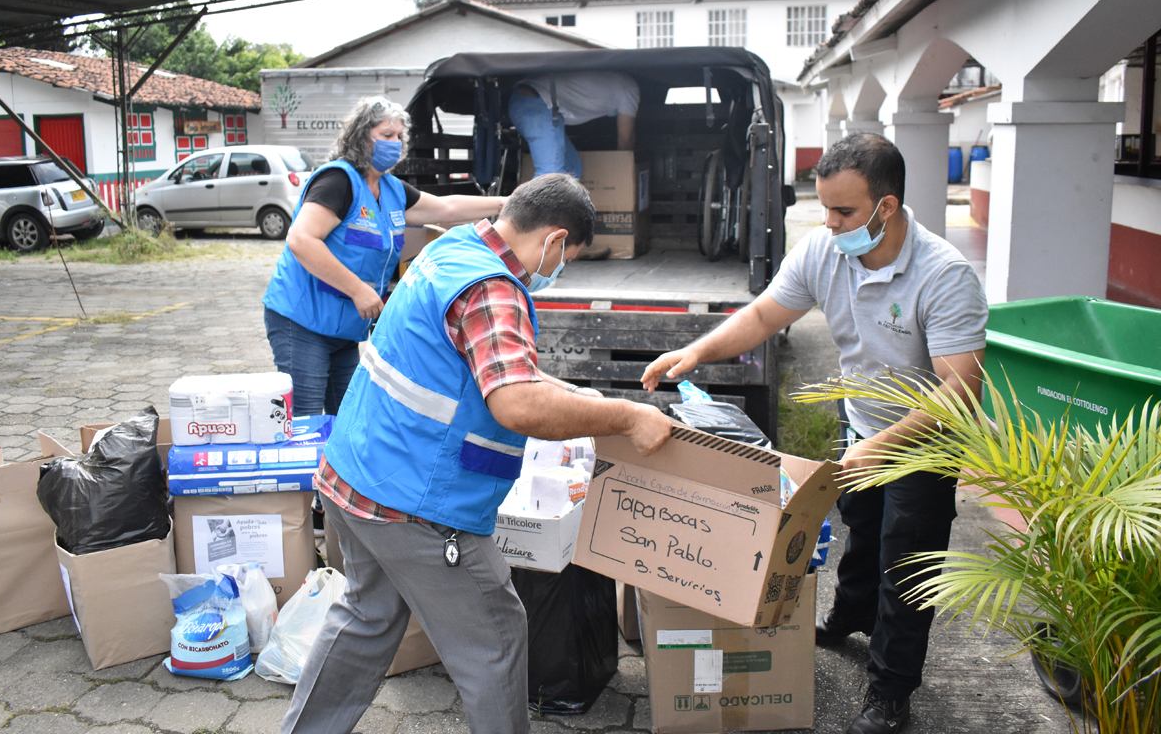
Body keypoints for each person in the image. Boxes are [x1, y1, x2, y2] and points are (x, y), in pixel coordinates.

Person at [278, 173, 673, 734]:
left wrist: (576, 397)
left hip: (354, 477)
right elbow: (516, 404)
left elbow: (480, 365)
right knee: (496, 638)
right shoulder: (494, 289)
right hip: (417, 507)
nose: (558, 270)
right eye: (568, 259)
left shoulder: (453, 249)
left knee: (367, 618)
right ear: (555, 239)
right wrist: (628, 416)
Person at [642, 133, 987, 734]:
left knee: (906, 564)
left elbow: (960, 390)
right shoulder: (824, 252)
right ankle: (851, 614)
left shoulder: (945, 276)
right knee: (861, 526)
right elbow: (763, 314)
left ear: (886, 206)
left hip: (923, 443)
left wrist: (881, 446)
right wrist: (696, 352)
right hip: (861, 421)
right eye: (824, 208)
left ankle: (890, 692)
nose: (829, 224)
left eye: (843, 211)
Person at [262, 96, 505, 416]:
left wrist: (505, 204)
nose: (395, 142)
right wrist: (358, 290)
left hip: (344, 327)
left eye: (399, 136)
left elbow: (446, 208)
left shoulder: (392, 190)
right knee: (306, 417)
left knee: (346, 415)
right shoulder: (337, 181)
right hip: (303, 320)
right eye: (386, 134)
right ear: (361, 137)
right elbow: (301, 239)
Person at [508, 71, 639, 178]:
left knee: (572, 170)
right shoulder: (630, 89)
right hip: (538, 104)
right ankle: (530, 204)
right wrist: (627, 172)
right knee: (550, 176)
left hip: (530, 102)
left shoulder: (613, 80)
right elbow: (625, 139)